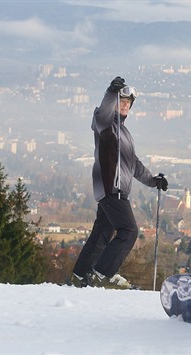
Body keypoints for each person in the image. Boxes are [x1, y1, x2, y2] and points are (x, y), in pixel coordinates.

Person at [72, 76, 168, 289]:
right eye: (121, 100)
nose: (125, 105)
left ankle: (80, 275)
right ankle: (104, 274)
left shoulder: (124, 133)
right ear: (114, 102)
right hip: (111, 188)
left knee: (102, 233)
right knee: (129, 230)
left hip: (116, 190)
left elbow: (134, 164)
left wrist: (154, 181)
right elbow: (103, 111)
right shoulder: (105, 124)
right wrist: (110, 92)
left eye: (128, 103)